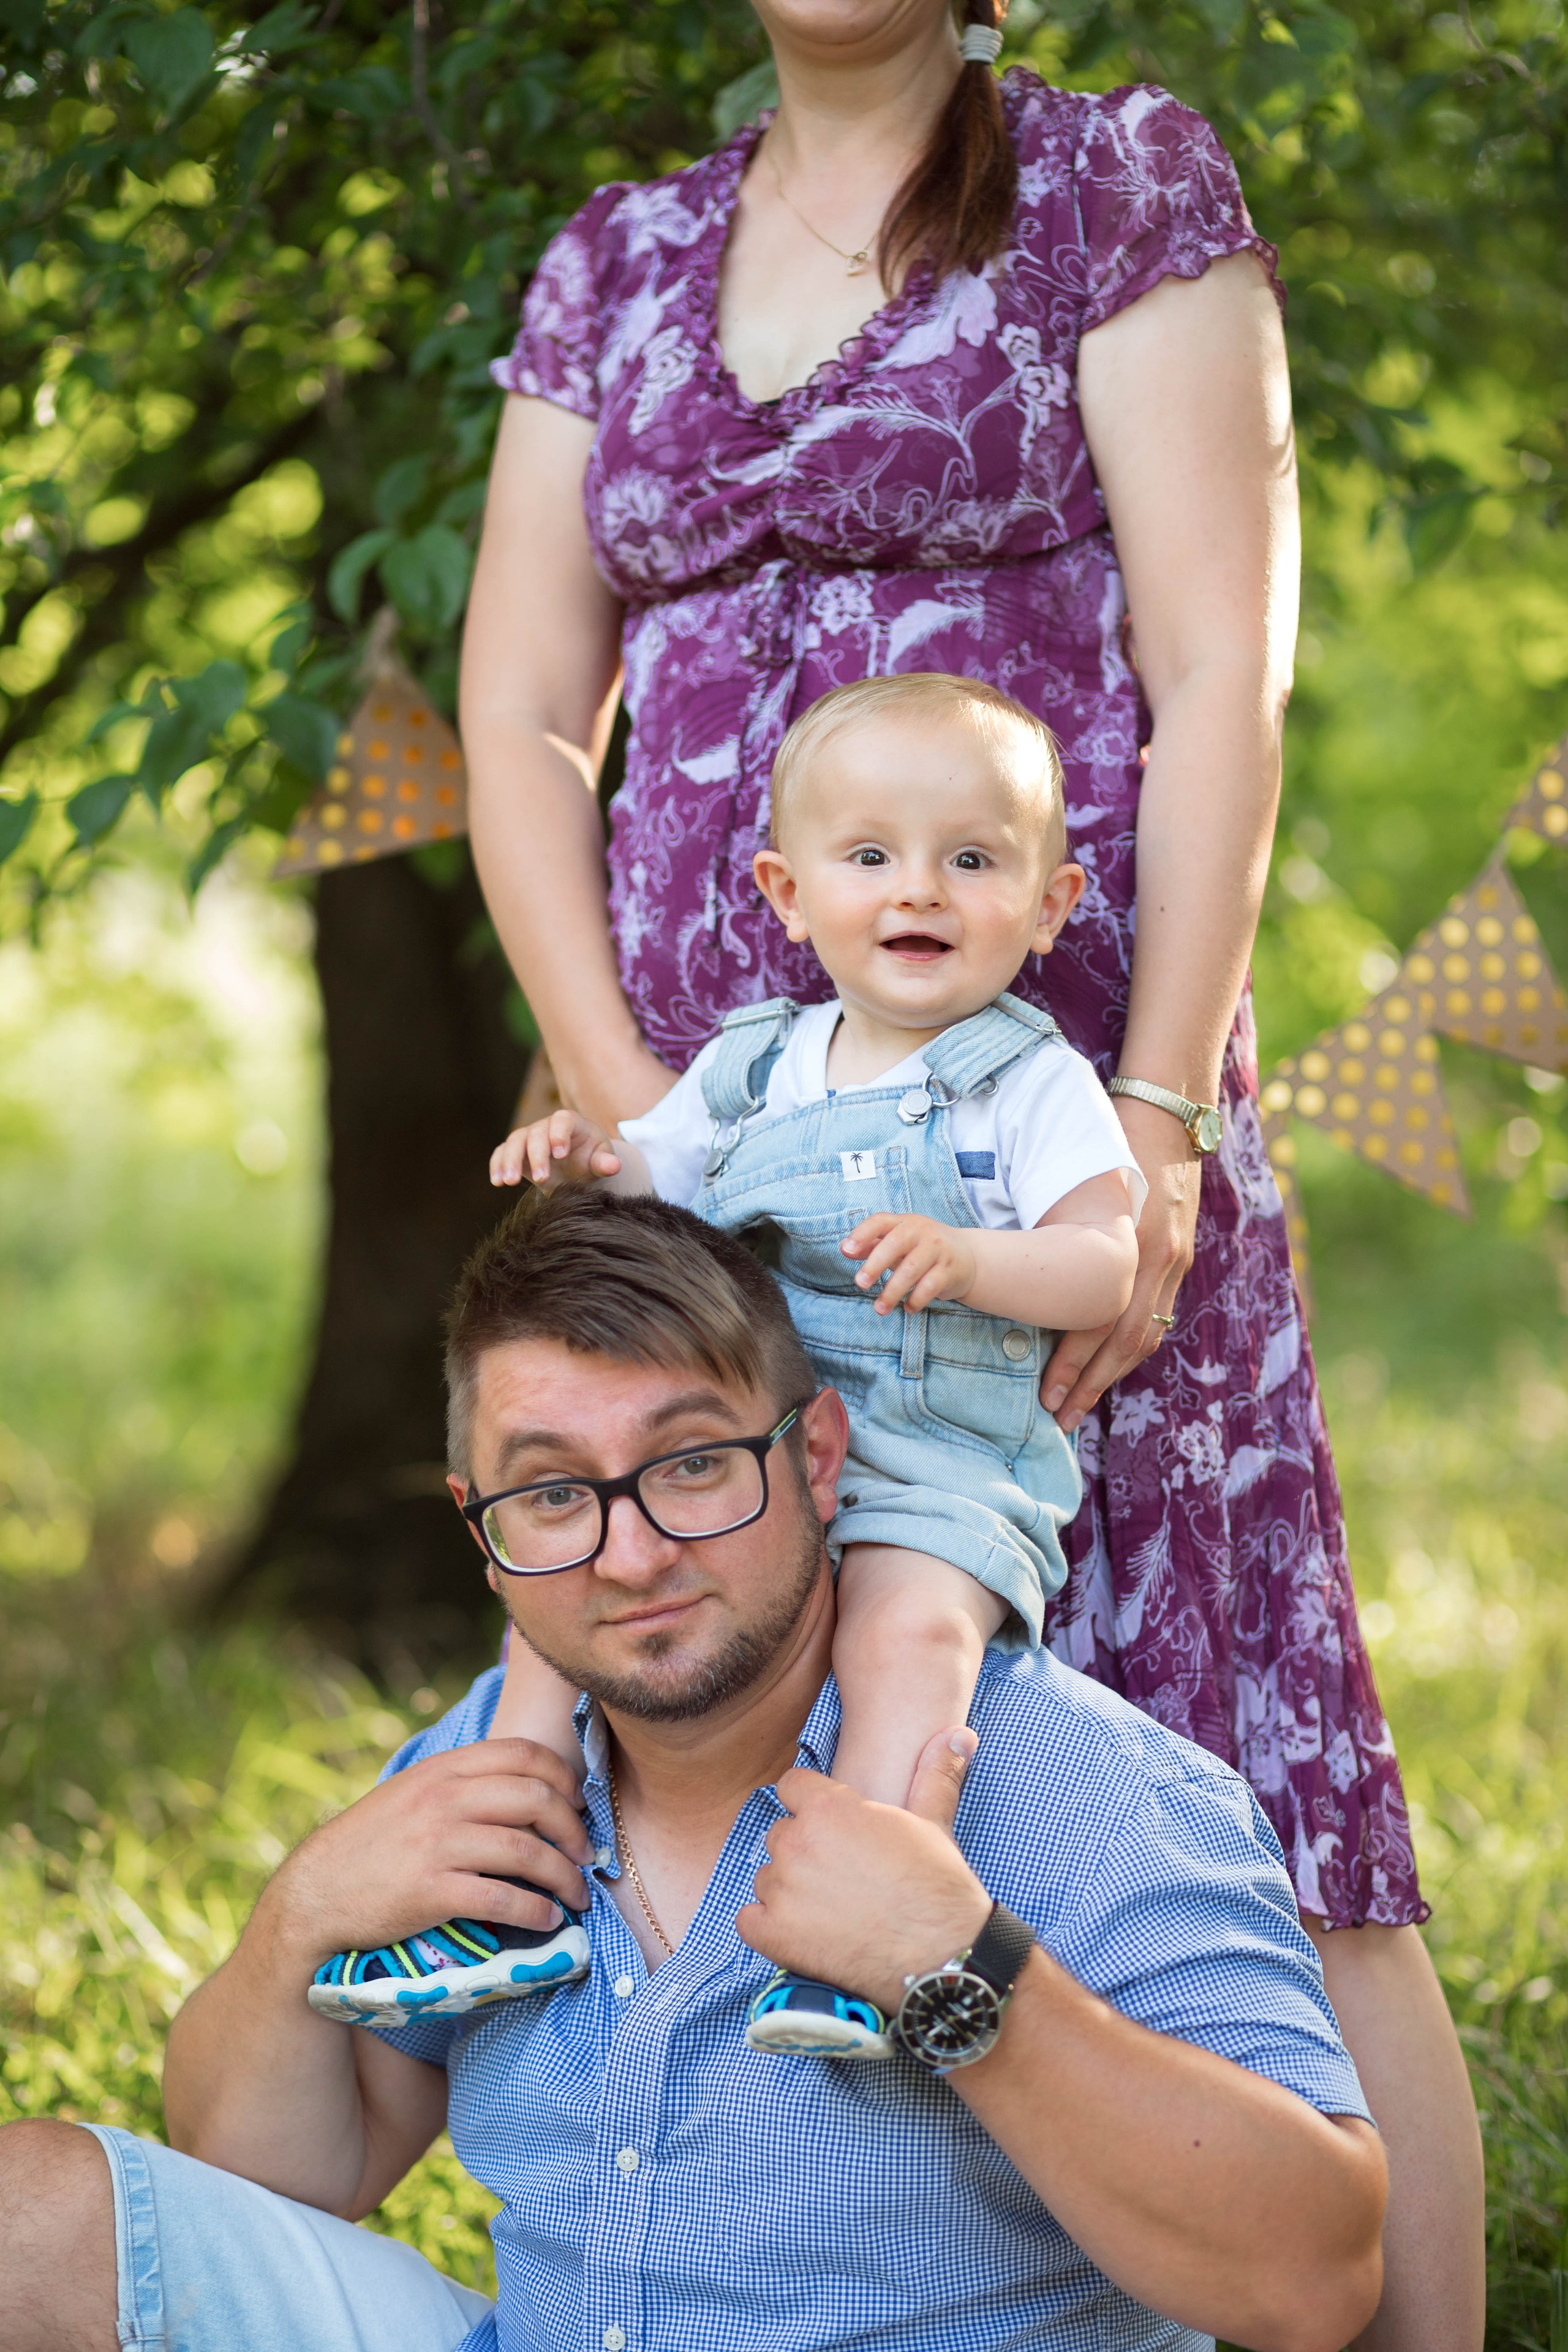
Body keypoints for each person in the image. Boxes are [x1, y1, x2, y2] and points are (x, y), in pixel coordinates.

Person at [458, 1, 1482, 2335]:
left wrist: (1157, 1112)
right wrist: (636, 1120)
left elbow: (1223, 668)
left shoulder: (1115, 189)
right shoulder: (611, 269)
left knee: (1233, 1730)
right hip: (726, 1140)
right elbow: (523, 709)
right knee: (759, 1694)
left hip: (1047, 1119)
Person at [0, 1185, 1387, 2352]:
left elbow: (1313, 2276)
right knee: (27, 2218)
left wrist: (962, 1977)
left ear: (818, 1457)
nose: (631, 1554)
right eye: (552, 1495)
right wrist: (298, 1920)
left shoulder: (1075, 1786)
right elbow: (280, 2178)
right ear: (480, 1535)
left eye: (692, 1466)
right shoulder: (486, 1771)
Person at [315, 673, 1142, 2048]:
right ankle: (494, 1889)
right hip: (735, 1452)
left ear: (1049, 905)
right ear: (785, 890)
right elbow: (657, 1179)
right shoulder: (756, 1066)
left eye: (973, 861)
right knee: (555, 1631)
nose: (917, 892)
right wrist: (591, 1156)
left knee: (908, 1645)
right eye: (869, 857)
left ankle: (857, 1933)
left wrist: (976, 1260)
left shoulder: (1026, 1080)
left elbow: (1104, 1262)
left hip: (937, 1462)